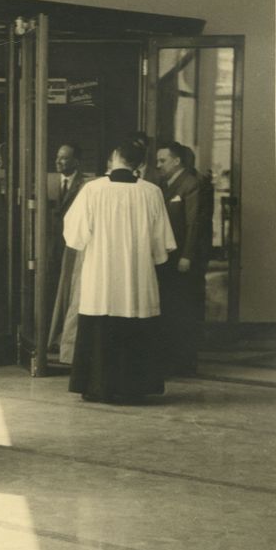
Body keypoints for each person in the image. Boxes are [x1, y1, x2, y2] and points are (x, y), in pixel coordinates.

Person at [64, 139, 176, 404]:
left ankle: (96, 386)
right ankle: (133, 388)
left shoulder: (92, 190)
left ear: (114, 157)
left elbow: (75, 236)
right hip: (136, 276)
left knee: (100, 325)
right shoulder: (151, 192)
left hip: (101, 275)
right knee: (135, 324)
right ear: (141, 164)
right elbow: (161, 244)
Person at [155, 141, 210, 375]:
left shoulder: (190, 183)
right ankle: (170, 359)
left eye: (162, 161)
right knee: (170, 308)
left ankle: (185, 362)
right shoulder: (163, 184)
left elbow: (193, 223)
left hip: (183, 259)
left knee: (184, 309)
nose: (158, 165)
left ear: (176, 161)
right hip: (167, 258)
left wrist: (187, 255)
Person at [47, 142, 87, 365]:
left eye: (64, 158)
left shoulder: (85, 185)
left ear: (76, 161)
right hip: (51, 248)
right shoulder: (50, 182)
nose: (58, 161)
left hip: (71, 249)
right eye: (57, 157)